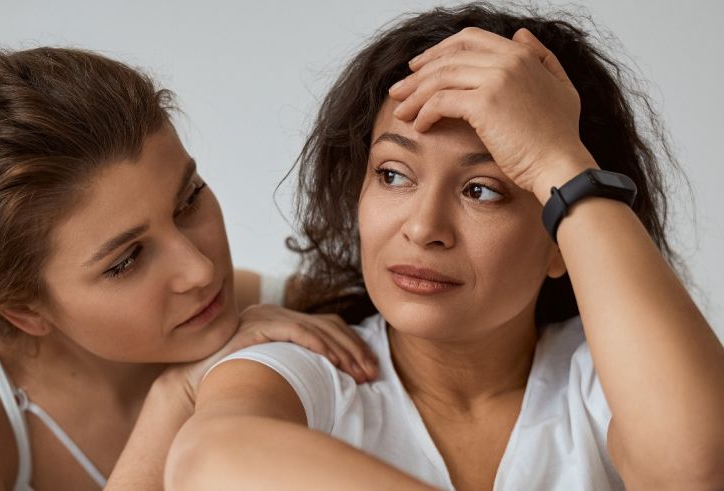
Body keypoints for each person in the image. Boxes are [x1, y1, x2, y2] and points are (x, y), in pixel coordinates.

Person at [166, 4, 724, 490]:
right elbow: (207, 461)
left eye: (482, 190)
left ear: (563, 241)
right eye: (392, 175)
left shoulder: (602, 381)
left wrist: (559, 159)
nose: (423, 227)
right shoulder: (309, 372)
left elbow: (694, 469)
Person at [0, 47, 379, 490]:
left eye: (189, 200)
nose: (200, 271)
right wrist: (174, 399)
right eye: (126, 261)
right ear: (25, 311)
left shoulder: (271, 312)